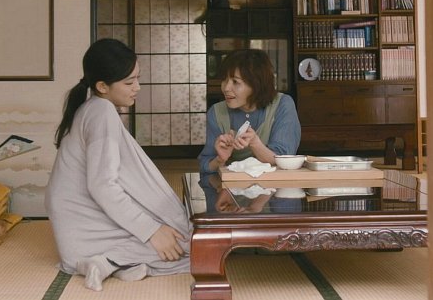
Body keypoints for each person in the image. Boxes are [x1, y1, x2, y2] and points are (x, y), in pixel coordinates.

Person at [46, 39, 191, 291]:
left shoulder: (93, 107)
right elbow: (102, 185)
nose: (137, 87)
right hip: (83, 226)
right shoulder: (101, 111)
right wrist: (151, 230)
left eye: (137, 79)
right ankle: (111, 260)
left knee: (183, 238)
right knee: (192, 244)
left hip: (75, 226)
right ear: (102, 86)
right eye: (129, 82)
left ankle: (116, 263)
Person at [198, 49, 302, 174]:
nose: (226, 88)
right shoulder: (216, 112)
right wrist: (220, 159)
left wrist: (255, 144)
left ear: (256, 84)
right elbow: (205, 166)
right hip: (234, 184)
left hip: (275, 183)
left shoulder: (282, 104)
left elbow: (284, 159)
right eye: (224, 79)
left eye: (235, 82)